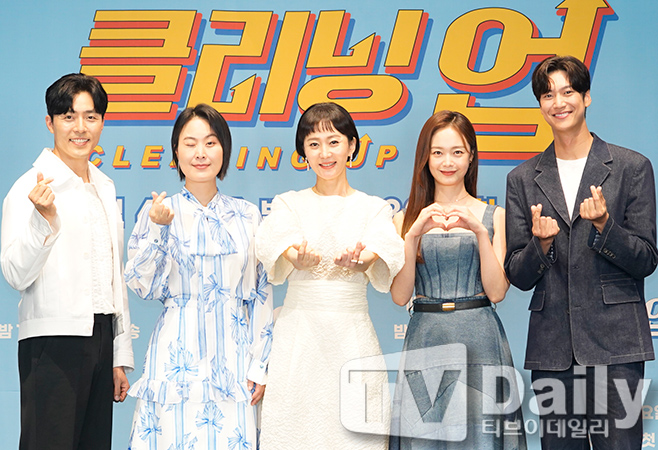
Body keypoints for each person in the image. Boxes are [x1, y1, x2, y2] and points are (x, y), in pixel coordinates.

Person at [505, 55, 657, 449]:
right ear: (540, 104)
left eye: (568, 92)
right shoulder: (522, 178)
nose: (558, 102)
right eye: (548, 95)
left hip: (616, 346)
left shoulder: (631, 167)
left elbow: (646, 259)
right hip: (552, 351)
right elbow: (517, 275)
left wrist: (606, 225)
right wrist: (540, 245)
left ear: (586, 97)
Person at [255, 102, 404, 449]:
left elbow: (383, 248)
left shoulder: (374, 207)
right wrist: (297, 259)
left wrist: (362, 261)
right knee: (295, 431)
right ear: (303, 153)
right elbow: (274, 242)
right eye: (314, 144)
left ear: (352, 146)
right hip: (299, 336)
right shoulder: (288, 203)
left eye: (334, 141)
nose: (325, 153)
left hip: (352, 336)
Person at [124, 104, 273, 450]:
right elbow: (143, 286)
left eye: (210, 142)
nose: (200, 153)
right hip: (176, 355)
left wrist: (260, 364)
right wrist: (158, 230)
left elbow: (261, 292)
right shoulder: (158, 211)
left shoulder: (247, 215)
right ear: (176, 152)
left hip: (235, 357)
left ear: (224, 149)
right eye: (190, 144)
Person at [0, 73, 134, 450]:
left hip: (101, 336)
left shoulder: (104, 186)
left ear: (102, 123)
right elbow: (15, 273)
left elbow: (113, 275)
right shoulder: (30, 187)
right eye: (68, 116)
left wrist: (118, 355)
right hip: (52, 340)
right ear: (50, 122)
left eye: (91, 117)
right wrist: (42, 220)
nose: (80, 128)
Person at [388, 110, 526, 449]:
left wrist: (479, 232)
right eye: (437, 152)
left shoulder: (494, 216)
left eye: (457, 152)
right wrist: (413, 234)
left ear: (471, 156)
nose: (447, 162)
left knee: (482, 436)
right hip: (426, 337)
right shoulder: (403, 220)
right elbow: (400, 295)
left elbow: (497, 291)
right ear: (425, 158)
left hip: (480, 338)